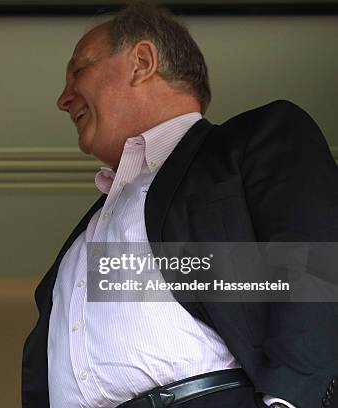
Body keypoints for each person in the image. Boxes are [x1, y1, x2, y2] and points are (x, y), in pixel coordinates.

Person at [22, 3, 338, 408]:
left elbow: (316, 266)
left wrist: (287, 402)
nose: (63, 99)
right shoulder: (92, 226)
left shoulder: (250, 143)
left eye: (78, 71)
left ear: (142, 61)